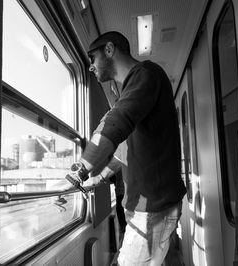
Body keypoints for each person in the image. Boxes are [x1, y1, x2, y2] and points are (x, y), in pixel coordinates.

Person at [66, 31, 186, 265]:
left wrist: (81, 168)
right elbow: (124, 153)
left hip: (153, 209)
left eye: (92, 58)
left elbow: (116, 120)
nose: (90, 67)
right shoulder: (134, 90)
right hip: (148, 208)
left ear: (109, 50)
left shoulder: (146, 74)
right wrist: (99, 177)